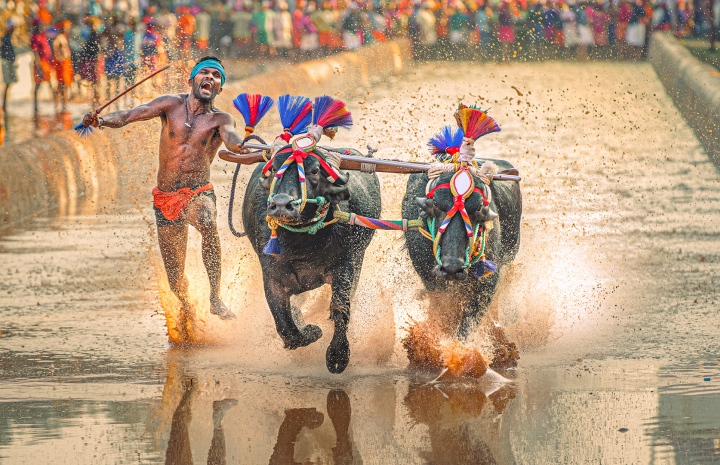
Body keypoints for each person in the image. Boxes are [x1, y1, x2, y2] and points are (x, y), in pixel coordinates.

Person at [81, 57, 246, 336]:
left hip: (197, 193)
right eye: (204, 73)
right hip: (165, 198)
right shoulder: (170, 105)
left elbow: (232, 139)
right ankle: (187, 308)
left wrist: (245, 146)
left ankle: (215, 297)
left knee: (207, 220)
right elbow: (132, 114)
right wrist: (101, 120)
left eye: (216, 76)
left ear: (220, 88)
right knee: (175, 279)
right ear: (191, 80)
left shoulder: (221, 119)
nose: (210, 77)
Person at [53, 21, 74, 113]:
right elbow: (55, 46)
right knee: (61, 84)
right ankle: (60, 105)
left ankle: (63, 105)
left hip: (65, 62)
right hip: (62, 63)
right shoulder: (60, 37)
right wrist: (58, 56)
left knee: (64, 84)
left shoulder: (64, 37)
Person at [1, 20, 17, 115]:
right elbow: (8, 53)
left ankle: (5, 104)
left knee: (8, 84)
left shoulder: (6, 37)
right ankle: (4, 105)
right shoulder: (7, 38)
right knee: (7, 84)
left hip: (8, 63)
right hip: (8, 63)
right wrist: (10, 65)